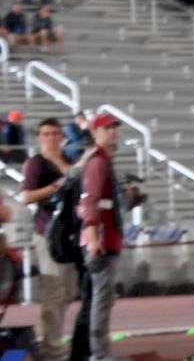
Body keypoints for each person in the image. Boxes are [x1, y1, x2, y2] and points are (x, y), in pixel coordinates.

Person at [72, 113, 124, 361]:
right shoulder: (98, 162)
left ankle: (95, 352)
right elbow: (89, 201)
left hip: (104, 238)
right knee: (101, 300)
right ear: (95, 132)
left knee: (100, 298)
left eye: (115, 127)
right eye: (107, 128)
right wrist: (93, 237)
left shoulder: (103, 161)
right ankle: (100, 354)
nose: (113, 131)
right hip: (100, 241)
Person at [20, 118, 71, 361]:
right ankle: (50, 347)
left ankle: (55, 340)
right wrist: (53, 187)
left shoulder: (68, 161)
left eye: (55, 134)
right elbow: (26, 197)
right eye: (46, 134)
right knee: (54, 290)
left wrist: (63, 167)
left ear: (62, 136)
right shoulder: (35, 164)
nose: (51, 138)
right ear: (39, 138)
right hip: (47, 233)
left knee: (68, 291)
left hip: (69, 234)